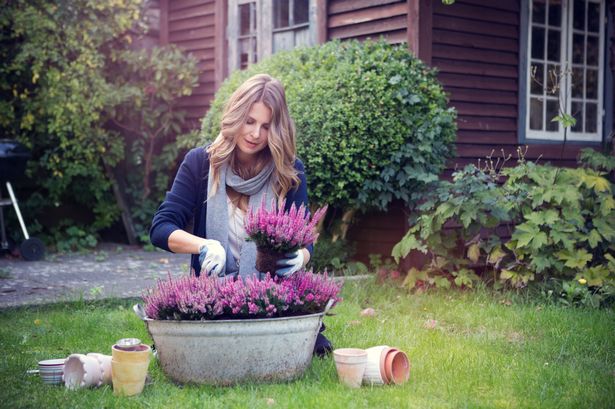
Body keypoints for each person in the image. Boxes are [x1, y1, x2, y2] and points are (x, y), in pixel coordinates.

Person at [150, 73, 331, 356]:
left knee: (311, 347)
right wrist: (204, 245)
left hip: (270, 298)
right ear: (236, 116)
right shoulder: (200, 163)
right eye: (249, 121)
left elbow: (305, 241)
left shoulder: (288, 171)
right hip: (212, 297)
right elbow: (161, 228)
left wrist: (300, 257)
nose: (255, 134)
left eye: (266, 126)